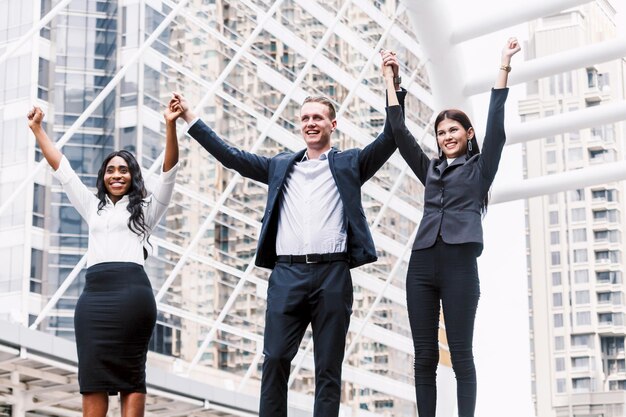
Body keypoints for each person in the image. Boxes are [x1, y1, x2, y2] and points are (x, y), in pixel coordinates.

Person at [171, 52, 404, 417]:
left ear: (333, 124)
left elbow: (392, 137)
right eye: (306, 118)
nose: (311, 123)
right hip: (287, 275)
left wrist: (391, 83)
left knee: (329, 368)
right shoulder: (281, 165)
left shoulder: (349, 163)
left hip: (332, 275)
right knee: (276, 357)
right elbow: (231, 157)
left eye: (318, 118)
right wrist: (190, 116)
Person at [383, 38, 521, 417]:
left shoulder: (480, 171)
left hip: (460, 266)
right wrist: (391, 81)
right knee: (424, 356)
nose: (446, 136)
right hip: (423, 264)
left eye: (453, 130)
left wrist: (504, 65)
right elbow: (398, 132)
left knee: (461, 355)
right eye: (441, 132)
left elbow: (497, 125)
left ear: (468, 134)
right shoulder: (429, 170)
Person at [27, 98, 182, 417]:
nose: (116, 175)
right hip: (93, 300)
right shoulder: (92, 207)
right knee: (92, 379)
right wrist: (37, 129)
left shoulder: (146, 211)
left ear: (133, 176)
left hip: (132, 297)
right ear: (103, 176)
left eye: (123, 170)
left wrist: (170, 125)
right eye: (110, 170)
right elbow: (63, 169)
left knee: (131, 377)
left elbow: (168, 174)